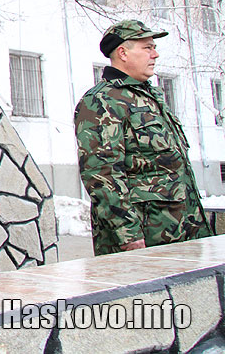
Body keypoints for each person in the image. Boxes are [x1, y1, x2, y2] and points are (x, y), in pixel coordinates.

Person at [74, 19, 211, 256]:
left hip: (180, 230)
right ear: (123, 53)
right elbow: (102, 174)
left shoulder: (151, 95)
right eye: (147, 47)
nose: (155, 54)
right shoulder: (102, 101)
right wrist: (128, 234)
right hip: (146, 238)